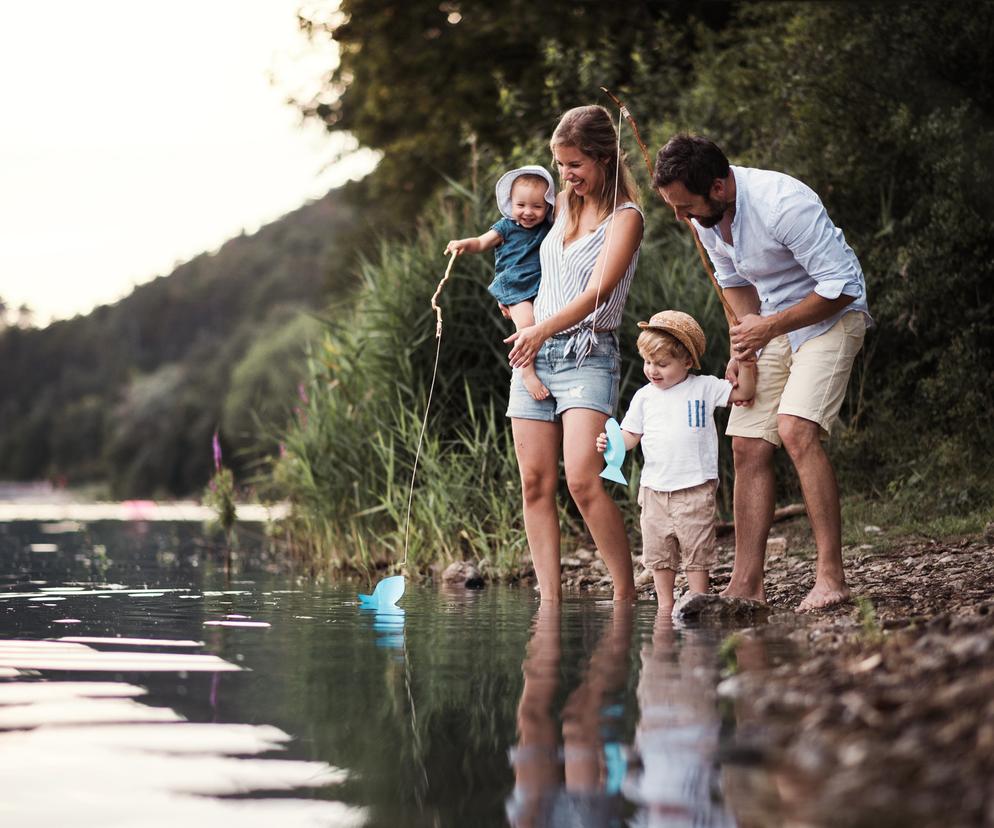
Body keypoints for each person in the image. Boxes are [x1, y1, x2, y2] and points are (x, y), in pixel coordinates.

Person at [653, 134, 871, 611]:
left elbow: (842, 287)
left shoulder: (782, 204)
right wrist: (743, 343)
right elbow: (734, 285)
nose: (680, 217)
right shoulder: (705, 219)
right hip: (773, 323)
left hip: (833, 317)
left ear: (718, 186)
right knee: (748, 441)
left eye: (686, 206)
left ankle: (830, 578)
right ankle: (746, 585)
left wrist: (768, 326)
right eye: (674, 207)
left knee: (794, 430)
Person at [504, 104, 644, 602]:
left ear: (604, 158)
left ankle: (626, 595)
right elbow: (516, 258)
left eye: (575, 165)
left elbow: (598, 295)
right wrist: (521, 314)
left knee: (584, 481)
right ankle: (550, 602)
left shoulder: (627, 218)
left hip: (588, 354)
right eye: (562, 165)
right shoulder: (560, 202)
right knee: (534, 484)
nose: (566, 176)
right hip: (534, 355)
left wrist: (539, 330)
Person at [595, 310, 755, 612]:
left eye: (662, 364)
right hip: (655, 490)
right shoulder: (644, 396)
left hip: (695, 488)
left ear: (687, 361)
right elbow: (630, 436)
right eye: (648, 362)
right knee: (658, 554)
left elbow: (744, 391)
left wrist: (746, 362)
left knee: (697, 550)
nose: (653, 370)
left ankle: (698, 602)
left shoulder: (704, 387)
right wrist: (610, 442)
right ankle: (665, 609)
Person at [445, 166, 556, 400]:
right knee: (526, 325)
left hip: (541, 285)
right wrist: (464, 244)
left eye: (536, 206)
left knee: (544, 322)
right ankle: (526, 372)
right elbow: (481, 242)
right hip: (515, 286)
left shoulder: (548, 228)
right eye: (521, 205)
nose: (528, 212)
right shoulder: (506, 226)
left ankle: (547, 364)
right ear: (510, 203)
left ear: (547, 206)